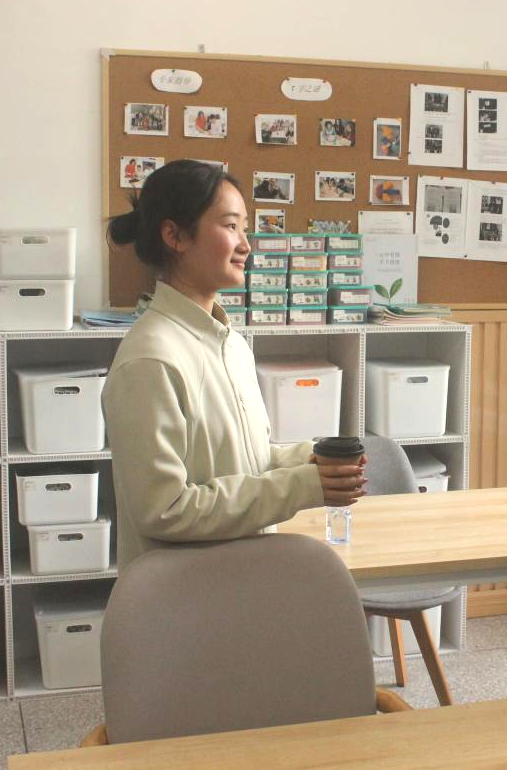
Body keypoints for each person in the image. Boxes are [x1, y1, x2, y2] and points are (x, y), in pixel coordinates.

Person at [103, 159, 366, 568]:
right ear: (174, 235)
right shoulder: (150, 360)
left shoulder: (232, 345)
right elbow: (164, 509)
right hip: (185, 593)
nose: (246, 245)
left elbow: (247, 461)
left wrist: (309, 460)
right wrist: (300, 486)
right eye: (230, 226)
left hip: (244, 578)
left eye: (244, 228)